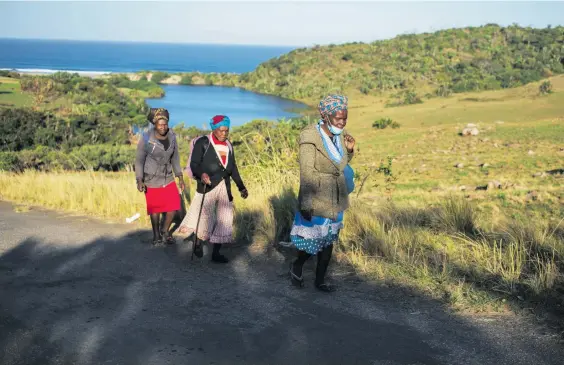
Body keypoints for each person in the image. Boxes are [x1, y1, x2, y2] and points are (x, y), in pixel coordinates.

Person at [289, 94, 355, 292]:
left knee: (329, 241)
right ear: (326, 116)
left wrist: (350, 151)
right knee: (312, 242)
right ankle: (297, 265)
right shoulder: (310, 136)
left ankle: (320, 281)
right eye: (338, 118)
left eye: (345, 117)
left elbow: (338, 166)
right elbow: (307, 172)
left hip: (336, 197)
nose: (342, 122)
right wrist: (306, 203)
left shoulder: (340, 137)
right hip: (317, 196)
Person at [179, 115, 248, 263]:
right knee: (205, 216)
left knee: (224, 219)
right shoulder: (203, 143)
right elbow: (194, 164)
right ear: (214, 129)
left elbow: (233, 168)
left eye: (226, 131)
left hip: (225, 185)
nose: (224, 133)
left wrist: (241, 187)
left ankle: (216, 253)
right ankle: (198, 241)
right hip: (207, 185)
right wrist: (202, 174)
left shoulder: (229, 145)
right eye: (221, 130)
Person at [135, 108, 185, 246]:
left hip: (167, 176)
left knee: (173, 206)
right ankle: (156, 235)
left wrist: (179, 176)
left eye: (165, 124)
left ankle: (164, 231)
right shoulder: (146, 138)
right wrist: (139, 179)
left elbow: (175, 157)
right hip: (150, 178)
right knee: (155, 208)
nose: (163, 127)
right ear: (154, 124)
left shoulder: (172, 136)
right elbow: (139, 160)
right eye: (160, 124)